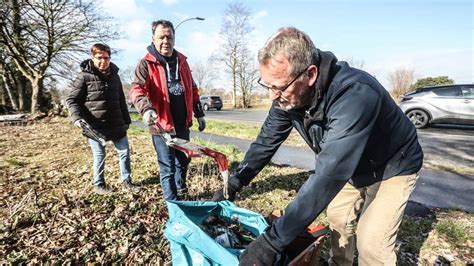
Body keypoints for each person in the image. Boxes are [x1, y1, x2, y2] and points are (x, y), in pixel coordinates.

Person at [212, 27, 423, 265]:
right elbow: (266, 142)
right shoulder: (288, 98)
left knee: (371, 243)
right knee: (338, 219)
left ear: (310, 74)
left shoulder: (354, 94)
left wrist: (272, 242)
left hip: (392, 165)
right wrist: (235, 181)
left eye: (279, 86)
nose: (272, 96)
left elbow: (329, 173)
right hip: (349, 165)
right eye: (267, 85)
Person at [129, 20, 206, 201]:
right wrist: (146, 109)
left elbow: (192, 89)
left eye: (169, 37)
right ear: (153, 39)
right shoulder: (146, 64)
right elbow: (136, 90)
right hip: (161, 127)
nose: (165, 41)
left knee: (183, 162)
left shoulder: (182, 61)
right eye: (161, 37)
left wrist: (199, 113)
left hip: (182, 124)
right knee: (167, 167)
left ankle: (181, 191)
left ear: (174, 38)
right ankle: (172, 203)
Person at [67, 43, 139, 194]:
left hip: (117, 123)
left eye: (106, 58)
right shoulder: (83, 77)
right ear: (92, 57)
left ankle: (127, 181)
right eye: (99, 58)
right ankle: (99, 184)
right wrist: (77, 118)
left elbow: (121, 100)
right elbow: (72, 100)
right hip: (95, 126)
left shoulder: (115, 76)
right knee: (100, 154)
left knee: (124, 152)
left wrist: (127, 121)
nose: (103, 61)